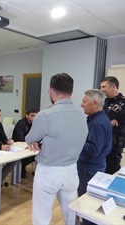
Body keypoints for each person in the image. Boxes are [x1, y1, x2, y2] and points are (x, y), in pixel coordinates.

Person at [25, 73, 88, 225]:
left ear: (51, 91)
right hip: (72, 171)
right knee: (71, 214)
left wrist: (37, 143)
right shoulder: (81, 115)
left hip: (49, 172)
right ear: (71, 92)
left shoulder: (45, 115)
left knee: (42, 216)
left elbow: (29, 139)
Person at [78, 89, 112, 225]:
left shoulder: (98, 123)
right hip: (94, 166)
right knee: (90, 201)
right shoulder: (101, 119)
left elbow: (93, 149)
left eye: (84, 102)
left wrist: (77, 141)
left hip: (89, 168)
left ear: (94, 103)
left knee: (87, 203)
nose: (81, 105)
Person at [100, 76, 125, 174]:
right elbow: (99, 117)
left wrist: (106, 119)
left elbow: (106, 116)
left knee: (111, 171)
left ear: (113, 86)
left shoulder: (122, 102)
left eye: (104, 87)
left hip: (115, 144)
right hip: (104, 141)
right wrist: (108, 120)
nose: (101, 90)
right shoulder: (106, 101)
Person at [12, 109, 37, 178]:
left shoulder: (34, 123)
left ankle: (22, 167)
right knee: (28, 156)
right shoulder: (21, 123)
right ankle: (21, 168)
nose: (34, 118)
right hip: (18, 145)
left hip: (27, 144)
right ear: (27, 115)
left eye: (35, 116)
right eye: (32, 116)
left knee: (36, 154)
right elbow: (21, 138)